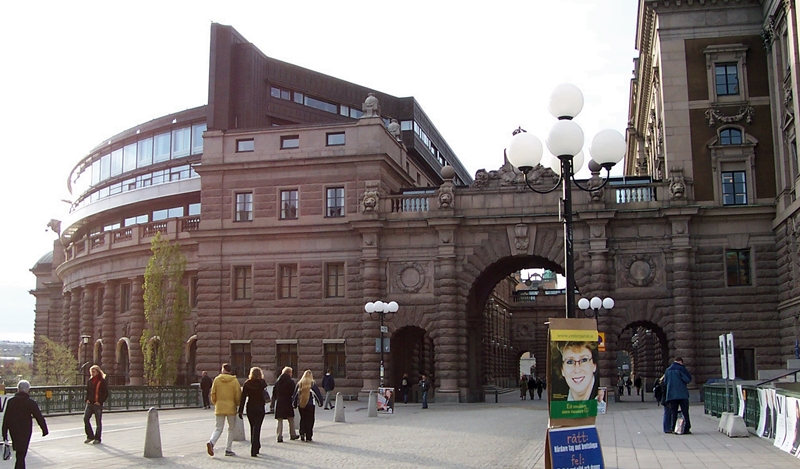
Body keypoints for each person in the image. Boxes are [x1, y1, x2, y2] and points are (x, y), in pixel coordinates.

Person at [1, 380, 48, 469]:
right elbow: (38, 416)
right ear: (27, 390)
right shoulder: (30, 402)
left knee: (20, 453)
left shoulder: (11, 402)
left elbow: (6, 418)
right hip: (25, 430)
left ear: (18, 389)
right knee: (21, 454)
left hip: (13, 430)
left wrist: (4, 434)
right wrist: (44, 429)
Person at [206, 363, 242, 457]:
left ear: (223, 369)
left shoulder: (217, 380)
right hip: (231, 407)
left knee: (218, 428)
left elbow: (213, 393)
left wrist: (216, 403)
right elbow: (238, 395)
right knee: (231, 429)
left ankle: (211, 442)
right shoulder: (234, 381)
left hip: (220, 406)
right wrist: (237, 404)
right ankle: (228, 449)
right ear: (230, 371)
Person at [238, 367, 268, 457]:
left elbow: (243, 398)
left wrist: (240, 411)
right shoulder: (262, 383)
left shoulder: (247, 384)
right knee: (257, 427)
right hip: (260, 407)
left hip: (250, 407)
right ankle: (256, 446)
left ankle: (254, 446)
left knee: (252, 427)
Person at [292, 370, 323, 442]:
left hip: (301, 404)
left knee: (303, 418)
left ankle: (302, 432)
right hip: (310, 404)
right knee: (310, 420)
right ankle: (308, 436)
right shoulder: (312, 384)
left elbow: (295, 395)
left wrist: (294, 404)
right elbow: (317, 394)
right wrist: (320, 403)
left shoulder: (299, 384)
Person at [664, 357, 692, 435]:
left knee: (674, 412)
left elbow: (665, 382)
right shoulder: (681, 369)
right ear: (681, 362)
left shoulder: (667, 370)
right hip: (682, 394)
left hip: (671, 394)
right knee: (685, 412)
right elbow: (688, 379)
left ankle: (674, 428)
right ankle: (686, 428)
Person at [272, 366, 299, 442]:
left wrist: (276, 399)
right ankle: (292, 434)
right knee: (291, 419)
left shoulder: (278, 381)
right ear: (289, 373)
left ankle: (279, 436)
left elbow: (274, 393)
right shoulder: (291, 382)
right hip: (287, 401)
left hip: (279, 402)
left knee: (280, 420)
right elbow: (294, 393)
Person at [83, 365, 109, 445]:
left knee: (98, 422)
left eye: (94, 371)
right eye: (91, 372)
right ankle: (90, 436)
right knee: (85, 419)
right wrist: (87, 399)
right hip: (90, 403)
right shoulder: (90, 381)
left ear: (98, 372)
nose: (92, 373)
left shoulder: (102, 381)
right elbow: (88, 391)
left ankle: (98, 438)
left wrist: (100, 401)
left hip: (97, 404)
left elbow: (106, 393)